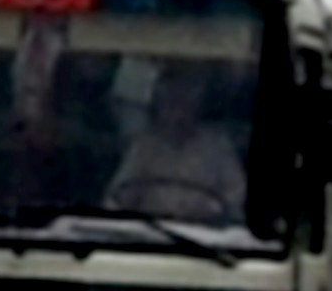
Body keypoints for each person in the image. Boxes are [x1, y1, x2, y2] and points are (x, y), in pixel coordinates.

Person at [103, 59, 245, 223]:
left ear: (196, 104)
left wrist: (213, 210)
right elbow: (117, 198)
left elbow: (237, 202)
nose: (176, 111)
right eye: (170, 102)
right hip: (149, 234)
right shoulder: (144, 145)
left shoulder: (218, 147)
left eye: (183, 101)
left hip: (204, 235)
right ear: (159, 104)